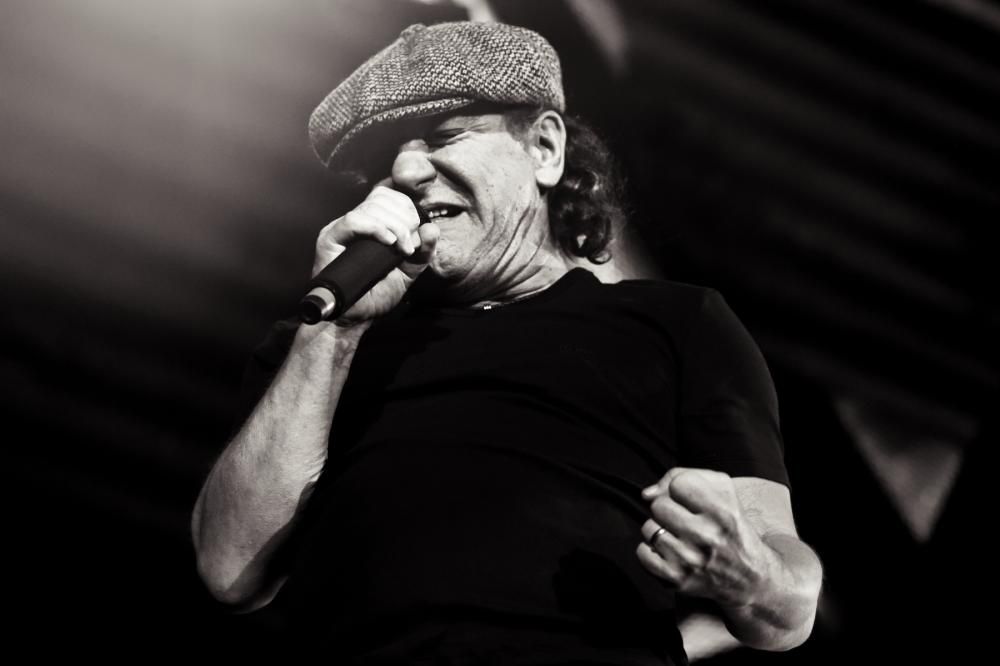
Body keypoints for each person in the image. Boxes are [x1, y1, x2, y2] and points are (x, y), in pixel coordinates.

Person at [191, 21, 822, 665]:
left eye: (446, 136)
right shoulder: (321, 342)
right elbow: (229, 568)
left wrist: (746, 570)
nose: (405, 172)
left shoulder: (676, 322)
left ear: (544, 148)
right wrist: (335, 332)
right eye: (384, 162)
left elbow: (791, 608)